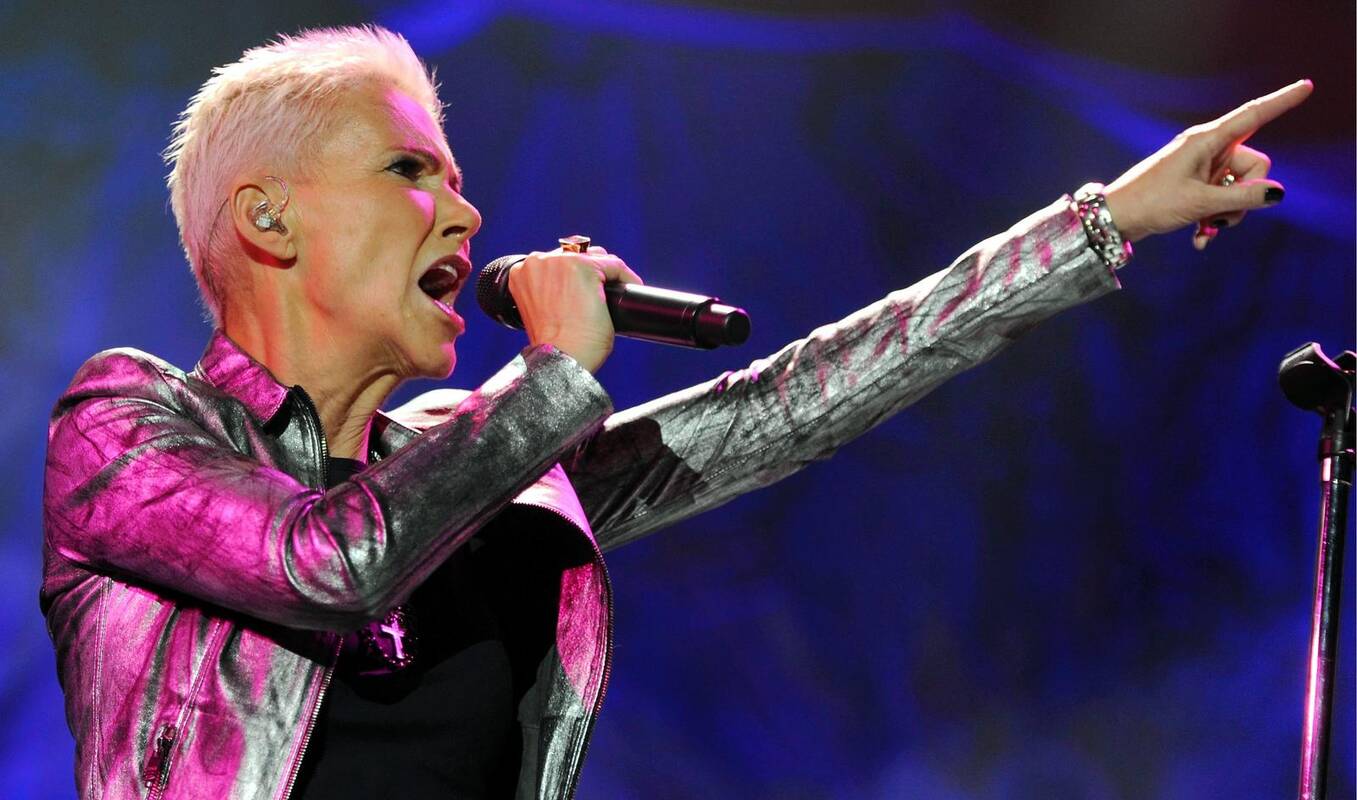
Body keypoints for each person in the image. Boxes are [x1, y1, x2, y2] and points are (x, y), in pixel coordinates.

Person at [40, 24, 1310, 800]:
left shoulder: (487, 470)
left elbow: (789, 404)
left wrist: (1101, 220)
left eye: (461, 177)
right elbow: (329, 562)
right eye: (409, 169)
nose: (467, 213)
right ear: (268, 218)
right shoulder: (123, 424)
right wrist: (549, 373)